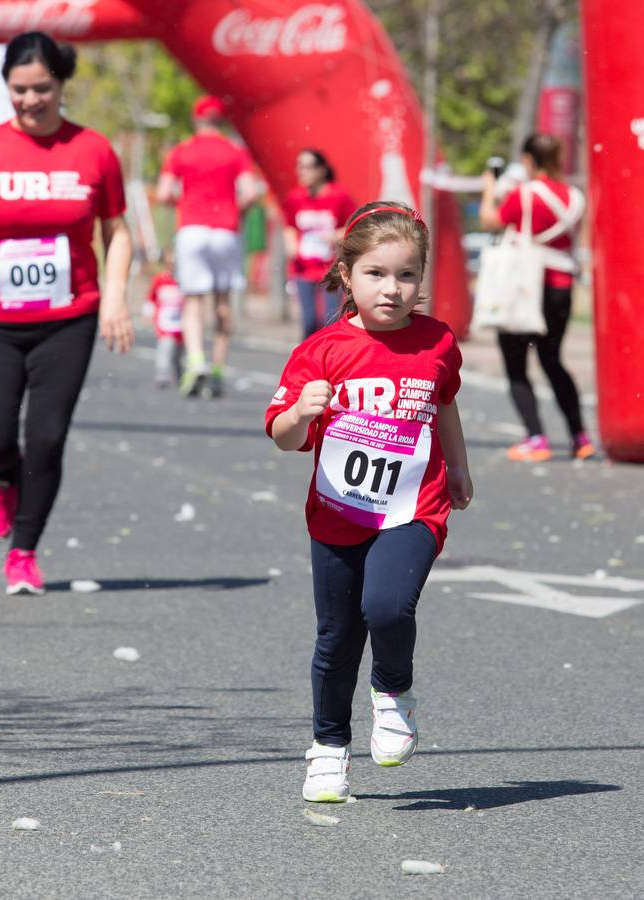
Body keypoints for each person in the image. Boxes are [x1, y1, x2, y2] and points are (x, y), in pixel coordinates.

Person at [265, 202, 473, 803]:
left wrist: (457, 465)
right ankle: (328, 748)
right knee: (336, 637)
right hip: (338, 512)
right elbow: (283, 436)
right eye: (377, 274)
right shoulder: (322, 350)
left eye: (407, 275)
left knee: (385, 605)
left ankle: (393, 692)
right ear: (347, 276)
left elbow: (445, 401)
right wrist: (302, 413)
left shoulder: (436, 342)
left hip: (414, 507)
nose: (392, 288)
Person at [0, 31, 133, 596]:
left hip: (70, 315)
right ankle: (2, 478)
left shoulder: (93, 150)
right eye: (18, 89)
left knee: (46, 437)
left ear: (61, 84)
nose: (29, 100)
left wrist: (114, 299)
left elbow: (117, 232)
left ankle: (24, 550)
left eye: (41, 88)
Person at [480, 133, 593, 462]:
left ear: (528, 160)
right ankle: (580, 436)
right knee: (553, 360)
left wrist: (490, 187)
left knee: (516, 365)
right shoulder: (575, 196)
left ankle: (536, 437)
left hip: (524, 287)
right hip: (561, 287)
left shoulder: (523, 194)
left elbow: (491, 220)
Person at [156, 95, 260, 398]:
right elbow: (251, 193)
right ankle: (217, 368)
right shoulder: (235, 152)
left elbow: (163, 194)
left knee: (193, 300)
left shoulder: (182, 151)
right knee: (223, 300)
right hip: (226, 230)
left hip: (192, 229)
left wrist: (186, 203)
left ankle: (196, 360)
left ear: (196, 119)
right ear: (222, 120)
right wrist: (233, 209)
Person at [281, 148, 356, 339]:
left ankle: (328, 363)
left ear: (322, 170)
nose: (301, 171)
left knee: (329, 322)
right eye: (299, 166)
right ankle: (307, 364)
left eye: (307, 167)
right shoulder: (295, 197)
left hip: (330, 269)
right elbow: (289, 225)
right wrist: (291, 244)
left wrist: (335, 236)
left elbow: (354, 225)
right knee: (309, 321)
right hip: (303, 269)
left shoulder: (338, 196)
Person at [144, 269, 185, 388]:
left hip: (181, 325)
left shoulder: (183, 280)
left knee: (179, 354)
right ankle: (162, 374)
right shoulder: (159, 280)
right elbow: (151, 297)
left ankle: (181, 376)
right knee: (165, 348)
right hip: (165, 324)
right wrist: (148, 312)